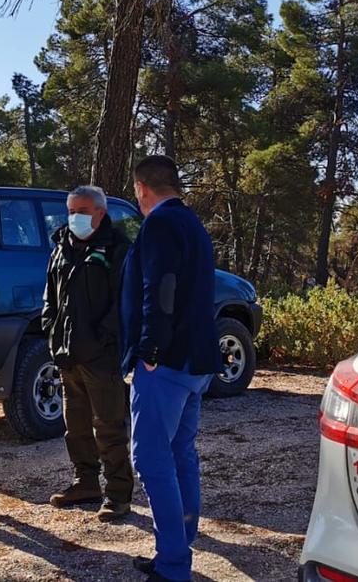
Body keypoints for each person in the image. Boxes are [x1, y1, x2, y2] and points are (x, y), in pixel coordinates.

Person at [120, 157, 223, 582]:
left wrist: (149, 348)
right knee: (180, 452)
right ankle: (178, 544)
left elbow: (159, 288)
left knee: (149, 457)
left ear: (142, 188)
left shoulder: (160, 224)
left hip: (168, 361)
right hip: (196, 358)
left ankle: (174, 564)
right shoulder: (193, 224)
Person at [42, 186, 134, 521]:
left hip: (100, 355)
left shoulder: (116, 248)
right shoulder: (61, 246)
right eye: (71, 210)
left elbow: (121, 304)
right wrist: (52, 333)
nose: (74, 217)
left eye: (81, 210)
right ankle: (85, 482)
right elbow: (50, 297)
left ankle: (118, 494)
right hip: (67, 354)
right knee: (75, 424)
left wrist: (101, 341)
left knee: (108, 425)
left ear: (99, 212)